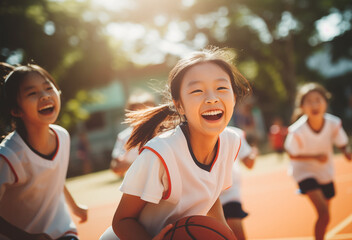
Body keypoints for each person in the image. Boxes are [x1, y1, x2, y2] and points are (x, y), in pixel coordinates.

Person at [99, 46, 251, 240]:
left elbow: (211, 196)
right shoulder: (161, 152)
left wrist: (225, 233)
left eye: (221, 88)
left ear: (234, 96)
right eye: (197, 91)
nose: (212, 99)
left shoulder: (230, 141)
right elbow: (122, 220)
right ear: (179, 105)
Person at [0, 62, 88, 240]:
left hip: (59, 231)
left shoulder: (62, 136)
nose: (44, 96)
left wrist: (74, 206)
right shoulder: (7, 156)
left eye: (48, 88)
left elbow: (53, 176)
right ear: (16, 110)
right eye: (32, 93)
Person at [284, 82, 352, 240]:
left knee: (326, 217)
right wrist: (314, 157)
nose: (314, 104)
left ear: (325, 102)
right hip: (303, 172)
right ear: (301, 107)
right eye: (309, 101)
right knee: (323, 212)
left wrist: (346, 152)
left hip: (325, 171)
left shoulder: (334, 123)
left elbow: (342, 142)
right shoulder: (296, 131)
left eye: (318, 100)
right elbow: (291, 154)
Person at [219, 126, 257, 240]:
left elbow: (248, 163)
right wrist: (254, 151)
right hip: (211, 193)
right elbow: (249, 163)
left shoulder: (234, 134)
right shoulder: (235, 133)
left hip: (228, 192)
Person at [110, 92, 155, 177]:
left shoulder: (163, 133)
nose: (143, 115)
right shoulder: (124, 137)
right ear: (130, 113)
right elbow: (116, 167)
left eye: (147, 111)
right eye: (138, 111)